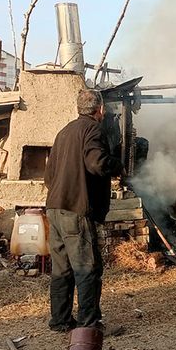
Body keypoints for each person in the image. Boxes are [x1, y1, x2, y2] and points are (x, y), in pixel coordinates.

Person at [44, 89, 123, 332]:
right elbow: (96, 162)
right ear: (99, 109)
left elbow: (49, 176)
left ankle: (60, 321)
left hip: (54, 208)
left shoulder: (64, 131)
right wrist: (117, 165)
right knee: (87, 268)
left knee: (61, 269)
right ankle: (89, 326)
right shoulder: (93, 130)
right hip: (74, 211)